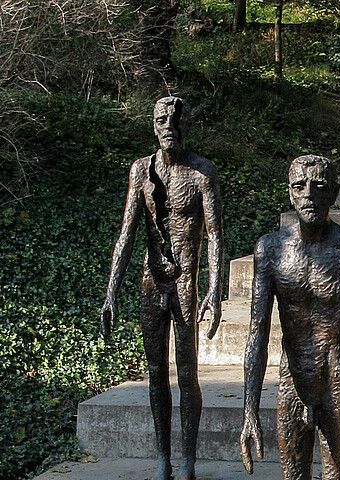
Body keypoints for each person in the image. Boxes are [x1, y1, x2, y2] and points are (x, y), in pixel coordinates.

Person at [100, 96, 223, 480]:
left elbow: (216, 236)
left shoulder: (202, 173)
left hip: (186, 282)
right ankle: (162, 458)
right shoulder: (142, 171)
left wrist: (215, 289)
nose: (169, 125)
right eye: (161, 119)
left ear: (188, 123)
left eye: (176, 118)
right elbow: (127, 233)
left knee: (187, 374)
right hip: (152, 282)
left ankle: (186, 460)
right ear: (153, 126)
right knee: (156, 372)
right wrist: (111, 291)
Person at [240, 155, 340, 480]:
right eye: (300, 186)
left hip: (334, 382)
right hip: (291, 383)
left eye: (319, 187)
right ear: (290, 193)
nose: (309, 195)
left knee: (336, 476)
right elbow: (257, 335)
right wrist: (249, 407)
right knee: (293, 476)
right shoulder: (270, 250)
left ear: (333, 193)